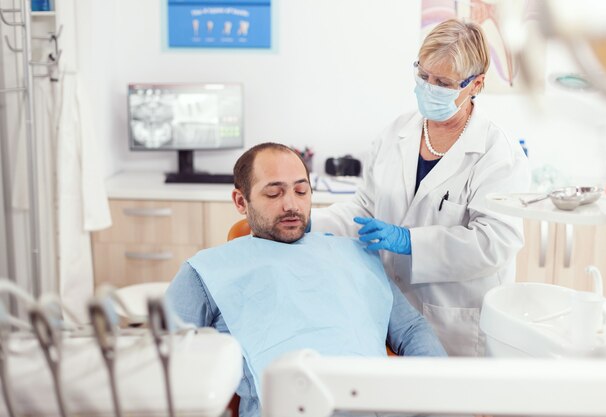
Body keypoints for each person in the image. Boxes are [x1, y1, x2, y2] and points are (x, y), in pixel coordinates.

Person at [166, 142, 446, 417]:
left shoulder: (356, 252)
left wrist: (448, 401)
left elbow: (411, 330)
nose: (291, 205)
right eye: (274, 194)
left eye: (301, 191)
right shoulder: (206, 271)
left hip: (373, 404)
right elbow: (164, 354)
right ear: (241, 201)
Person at [311, 19, 531, 356]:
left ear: (476, 84)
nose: (429, 88)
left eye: (443, 83)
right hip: (389, 312)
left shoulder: (497, 152)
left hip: (456, 325)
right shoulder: (394, 134)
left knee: (449, 406)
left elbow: (495, 243)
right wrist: (311, 222)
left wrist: (409, 241)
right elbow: (364, 209)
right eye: (424, 75)